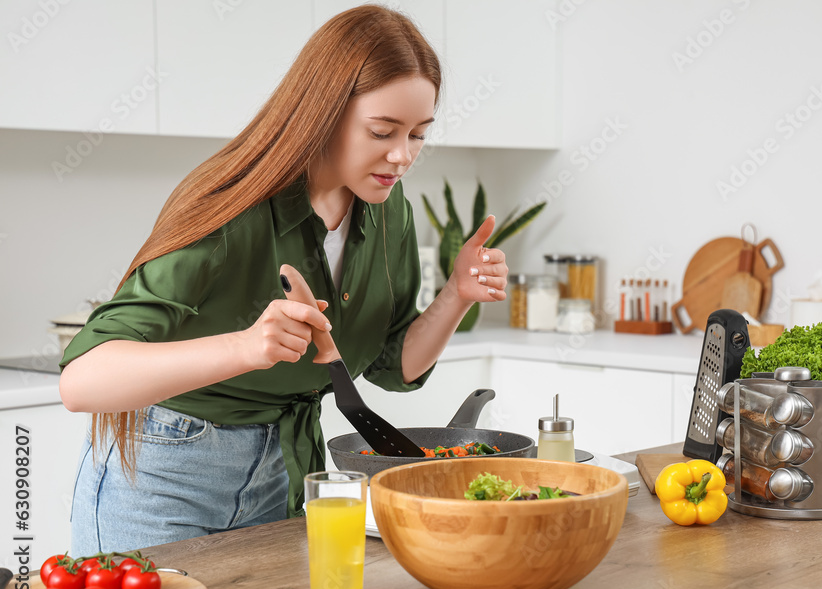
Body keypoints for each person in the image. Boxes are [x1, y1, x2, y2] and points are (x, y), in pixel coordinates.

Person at [58, 5, 508, 556]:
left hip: (285, 476)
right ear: (322, 113)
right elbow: (82, 381)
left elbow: (396, 366)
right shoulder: (232, 205)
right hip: (167, 481)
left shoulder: (389, 209)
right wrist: (246, 347)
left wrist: (457, 294)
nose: (402, 155)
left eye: (418, 134)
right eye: (383, 131)